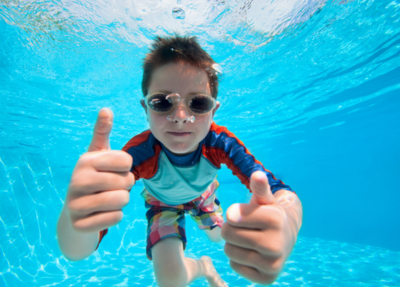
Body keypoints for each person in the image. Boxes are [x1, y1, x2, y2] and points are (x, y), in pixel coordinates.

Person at [57, 35, 303, 287]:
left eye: (198, 103)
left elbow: (279, 191)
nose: (181, 116)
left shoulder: (220, 143)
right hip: (162, 203)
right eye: (162, 103)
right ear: (145, 108)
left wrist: (289, 222)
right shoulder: (139, 154)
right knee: (170, 282)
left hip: (203, 196)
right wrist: (76, 216)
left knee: (221, 236)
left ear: (213, 110)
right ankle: (204, 266)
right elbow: (76, 252)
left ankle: (208, 247)